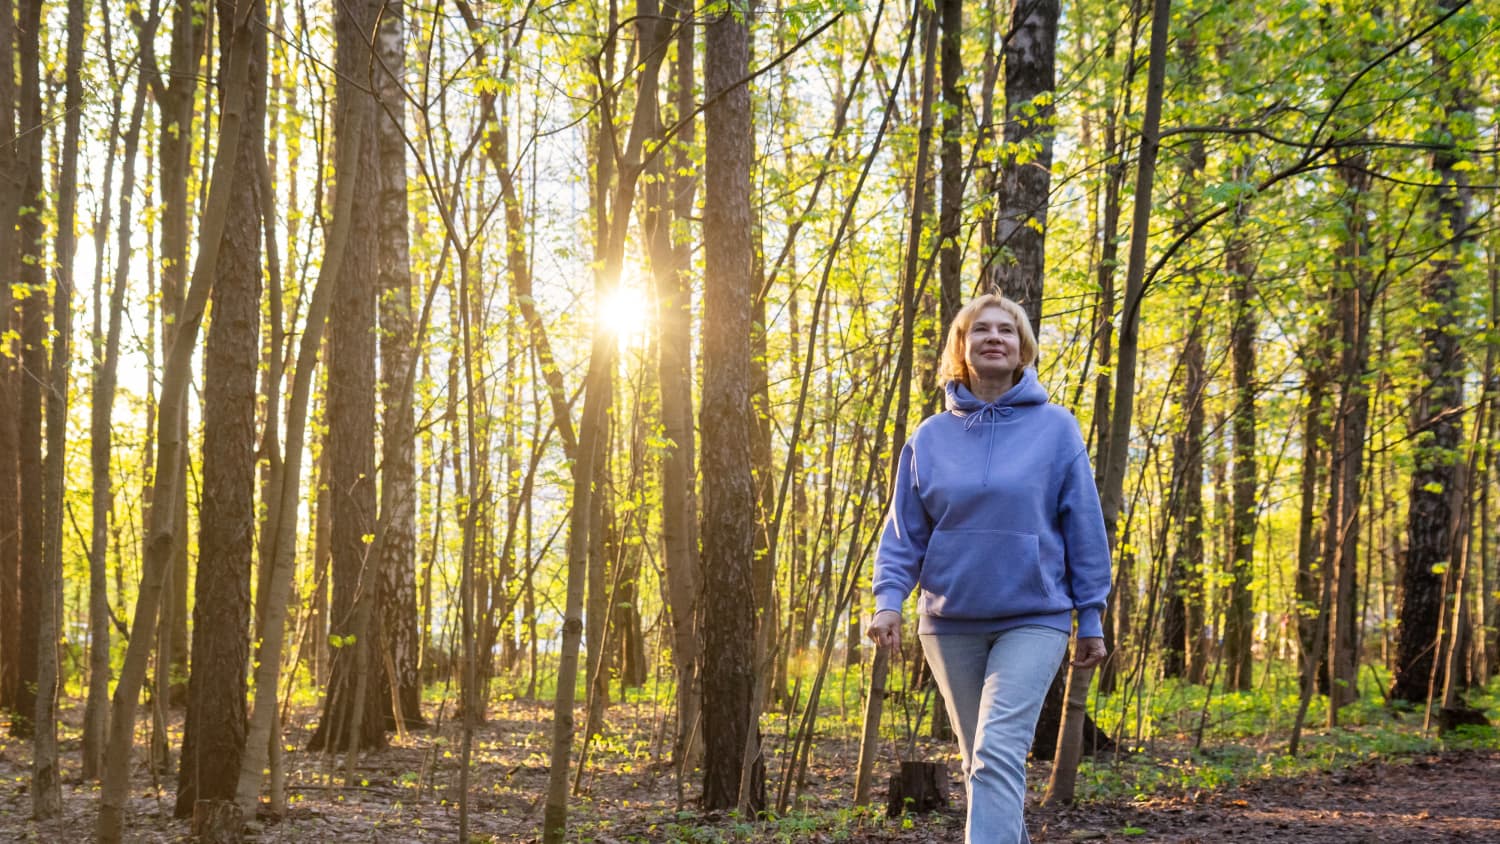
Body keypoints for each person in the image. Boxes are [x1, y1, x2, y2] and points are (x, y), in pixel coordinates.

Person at [866, 293, 1112, 844]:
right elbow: (905, 532)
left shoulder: (1057, 429)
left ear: (1023, 347)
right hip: (950, 622)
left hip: (1036, 614)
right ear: (962, 346)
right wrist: (888, 601)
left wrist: (1090, 614)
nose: (994, 337)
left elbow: (1085, 529)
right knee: (981, 760)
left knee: (997, 749)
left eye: (1006, 329)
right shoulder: (929, 437)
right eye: (981, 330)